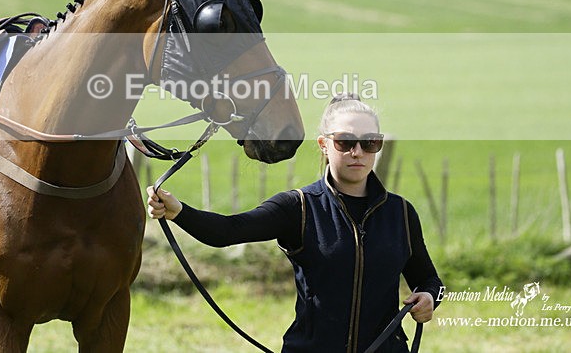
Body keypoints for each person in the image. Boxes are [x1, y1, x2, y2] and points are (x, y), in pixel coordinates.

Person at [147, 93, 444, 352]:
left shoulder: (401, 213)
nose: (357, 152)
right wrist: (178, 211)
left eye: (369, 143)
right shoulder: (298, 207)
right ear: (324, 145)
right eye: (345, 142)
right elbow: (228, 231)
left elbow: (431, 280)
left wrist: (430, 297)